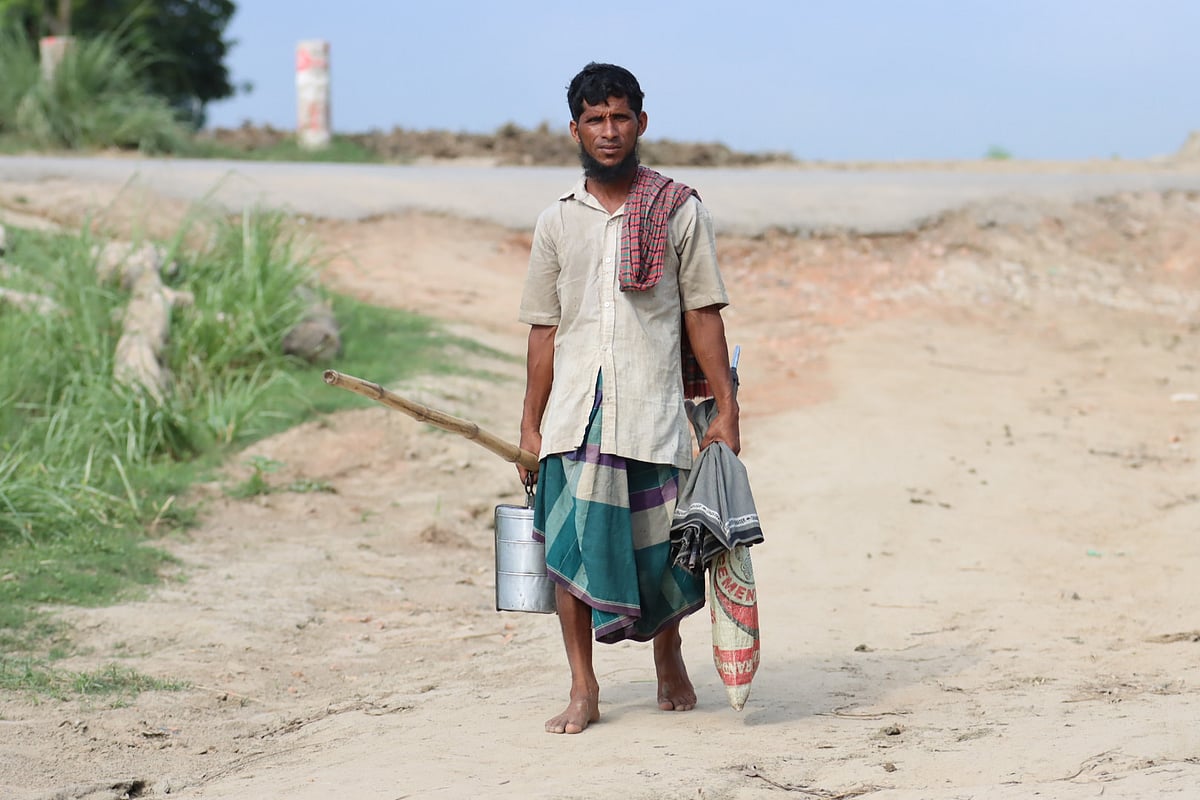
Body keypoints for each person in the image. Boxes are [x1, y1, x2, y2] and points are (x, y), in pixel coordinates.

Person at [517, 62, 740, 734]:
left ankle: (668, 654)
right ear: (575, 130)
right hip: (574, 417)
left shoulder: (680, 210)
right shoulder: (557, 221)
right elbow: (544, 329)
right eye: (595, 120)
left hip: (651, 410)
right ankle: (583, 688)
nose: (608, 132)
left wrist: (727, 410)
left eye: (619, 118)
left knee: (663, 552)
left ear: (641, 123)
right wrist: (529, 426)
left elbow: (703, 313)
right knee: (570, 551)